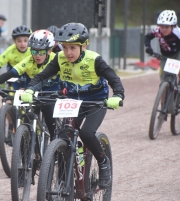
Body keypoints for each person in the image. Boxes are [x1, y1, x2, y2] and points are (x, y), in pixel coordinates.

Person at [20, 23, 124, 189]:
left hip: (95, 101)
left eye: (73, 48)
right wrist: (30, 89)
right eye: (65, 47)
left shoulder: (94, 59)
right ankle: (63, 180)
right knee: (63, 136)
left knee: (86, 133)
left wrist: (118, 95)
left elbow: (114, 79)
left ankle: (103, 163)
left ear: (83, 46)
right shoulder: (59, 58)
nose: (68, 52)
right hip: (72, 102)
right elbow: (41, 76)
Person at [0, 29, 60, 139]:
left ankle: (54, 146)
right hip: (33, 92)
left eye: (41, 52)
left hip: (52, 93)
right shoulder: (29, 60)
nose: (37, 56)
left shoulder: (56, 59)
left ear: (49, 51)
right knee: (27, 118)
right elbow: (11, 73)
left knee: (50, 119)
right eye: (34, 51)